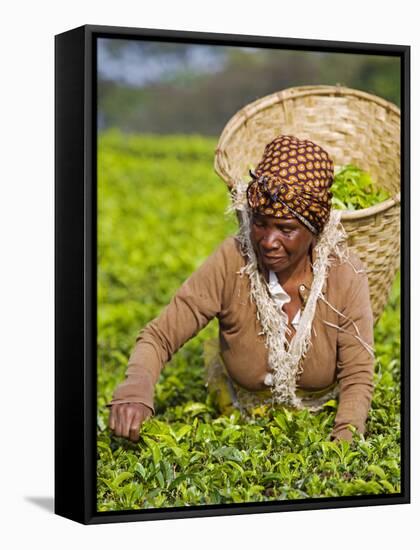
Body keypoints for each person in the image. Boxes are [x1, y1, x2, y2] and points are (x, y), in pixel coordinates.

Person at [107, 135, 375, 444]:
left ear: (314, 230)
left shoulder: (343, 272)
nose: (269, 241)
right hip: (237, 417)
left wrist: (344, 444)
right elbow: (159, 337)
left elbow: (357, 375)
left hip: (321, 417)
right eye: (260, 223)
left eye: (286, 229)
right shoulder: (231, 260)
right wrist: (135, 391)